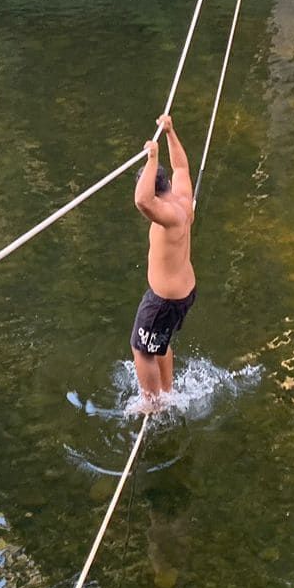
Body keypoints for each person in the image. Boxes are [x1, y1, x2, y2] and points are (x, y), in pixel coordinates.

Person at [130, 111, 196, 405]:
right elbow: (181, 166)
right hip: (183, 294)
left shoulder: (166, 216)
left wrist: (152, 158)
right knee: (160, 342)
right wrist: (169, 131)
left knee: (140, 349)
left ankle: (152, 404)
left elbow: (142, 200)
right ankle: (167, 392)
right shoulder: (183, 200)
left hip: (165, 300)